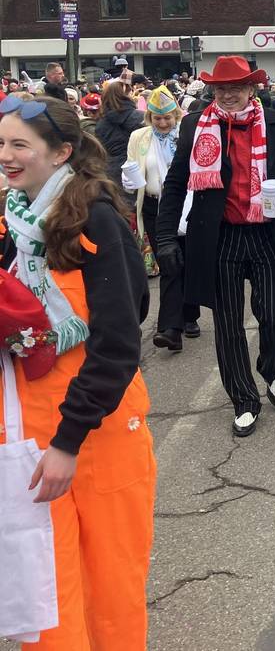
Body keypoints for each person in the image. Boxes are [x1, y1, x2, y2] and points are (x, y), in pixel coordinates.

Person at [0, 93, 155, 649]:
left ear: (61, 151)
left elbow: (118, 343)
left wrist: (67, 442)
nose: (7, 156)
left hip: (97, 436)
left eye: (20, 144)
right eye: (1, 143)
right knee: (48, 586)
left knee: (110, 588)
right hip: (30, 438)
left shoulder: (98, 219)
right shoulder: (15, 218)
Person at [155, 56, 275, 437]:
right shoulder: (195, 126)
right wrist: (163, 237)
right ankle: (244, 399)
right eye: (221, 88)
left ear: (251, 89)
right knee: (227, 324)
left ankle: (271, 368)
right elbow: (175, 184)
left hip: (267, 234)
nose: (227, 95)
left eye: (235, 88)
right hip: (219, 237)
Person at [124, 86, 201, 353]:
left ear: (176, 115)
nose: (163, 123)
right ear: (150, 118)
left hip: (187, 206)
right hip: (156, 209)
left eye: (168, 117)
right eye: (157, 118)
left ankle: (190, 315)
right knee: (169, 264)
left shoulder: (187, 135)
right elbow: (132, 170)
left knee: (188, 262)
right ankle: (171, 330)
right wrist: (129, 180)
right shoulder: (139, 137)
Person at [95, 79, 145, 187]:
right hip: (139, 170)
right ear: (127, 95)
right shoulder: (141, 117)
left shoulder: (100, 124)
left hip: (112, 173)